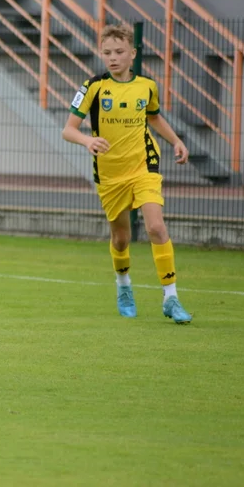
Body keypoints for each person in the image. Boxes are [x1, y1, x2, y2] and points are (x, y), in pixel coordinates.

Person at [62, 25, 192, 323]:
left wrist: (176, 141)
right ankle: (123, 286)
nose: (113, 57)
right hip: (109, 173)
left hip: (144, 165)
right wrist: (87, 140)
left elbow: (154, 117)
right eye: (107, 52)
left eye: (119, 52)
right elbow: (68, 130)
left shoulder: (146, 85)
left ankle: (171, 298)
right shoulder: (92, 87)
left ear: (132, 54)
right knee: (121, 238)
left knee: (156, 228)